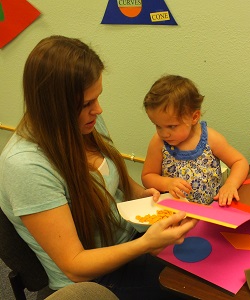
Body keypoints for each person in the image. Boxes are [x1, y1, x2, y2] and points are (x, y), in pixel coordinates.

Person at [0, 36, 197, 300]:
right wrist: (147, 244)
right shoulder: (25, 166)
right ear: (54, 107)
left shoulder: (84, 123)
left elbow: (116, 180)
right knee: (199, 291)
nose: (99, 109)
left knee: (212, 261)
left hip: (130, 240)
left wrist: (149, 196)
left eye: (97, 98)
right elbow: (74, 265)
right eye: (86, 104)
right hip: (95, 280)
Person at [142, 75, 249, 206]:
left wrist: (230, 185)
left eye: (172, 126)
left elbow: (240, 162)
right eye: (158, 125)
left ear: (194, 117)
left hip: (209, 212)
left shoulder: (211, 139)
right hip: (173, 213)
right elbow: (147, 176)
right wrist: (166, 183)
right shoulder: (158, 142)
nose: (164, 133)